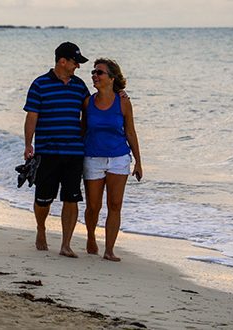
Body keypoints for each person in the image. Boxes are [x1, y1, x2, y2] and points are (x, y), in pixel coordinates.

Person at [23, 41, 90, 258]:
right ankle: (41, 228)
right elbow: (32, 116)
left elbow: (93, 111)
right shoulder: (39, 84)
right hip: (47, 152)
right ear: (62, 61)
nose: (77, 67)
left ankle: (66, 244)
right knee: (44, 198)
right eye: (75, 62)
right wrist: (28, 144)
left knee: (71, 198)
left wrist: (119, 94)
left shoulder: (80, 86)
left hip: (74, 153)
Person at [83, 58, 142, 262]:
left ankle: (109, 249)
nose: (94, 76)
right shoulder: (88, 102)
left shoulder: (123, 101)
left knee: (115, 205)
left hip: (119, 158)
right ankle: (91, 236)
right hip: (93, 158)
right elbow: (82, 130)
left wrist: (138, 162)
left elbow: (131, 132)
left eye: (99, 72)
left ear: (112, 78)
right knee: (93, 206)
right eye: (93, 72)